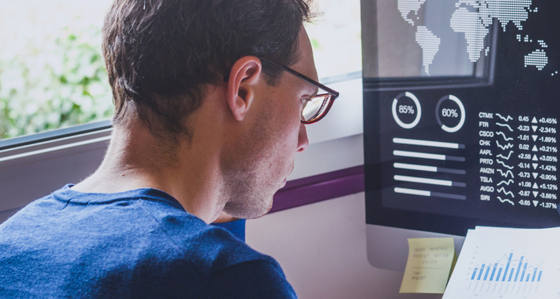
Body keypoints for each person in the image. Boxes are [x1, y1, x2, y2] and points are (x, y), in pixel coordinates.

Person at [0, 0, 340, 297]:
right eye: (304, 102)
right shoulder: (228, 280)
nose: (302, 141)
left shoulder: (11, 243)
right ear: (242, 91)